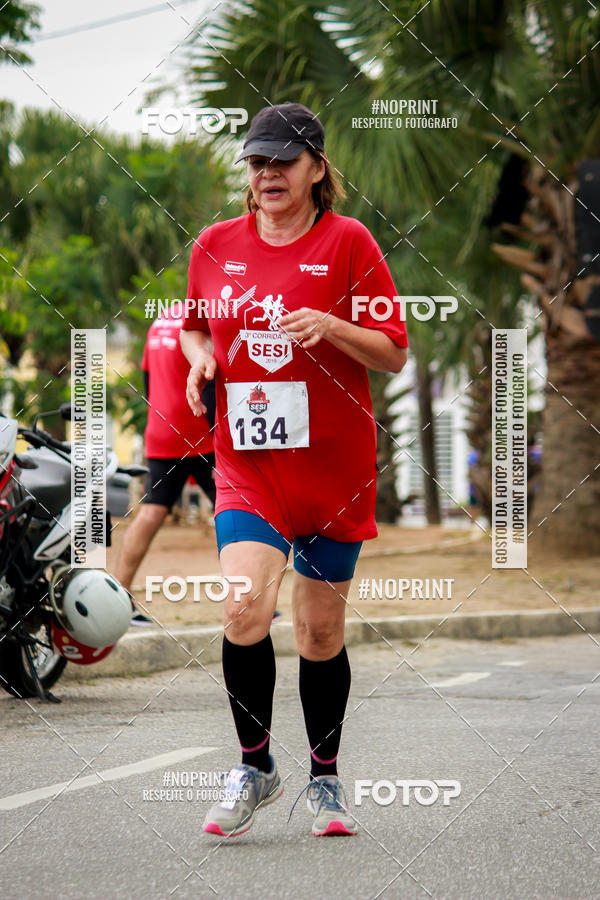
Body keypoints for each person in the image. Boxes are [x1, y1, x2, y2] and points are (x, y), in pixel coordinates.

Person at [181, 102, 408, 837]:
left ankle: (325, 779)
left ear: (317, 168)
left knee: (318, 634)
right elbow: (192, 329)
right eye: (257, 161)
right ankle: (255, 766)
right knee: (244, 608)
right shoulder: (214, 245)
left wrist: (333, 325)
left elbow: (393, 349)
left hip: (334, 468)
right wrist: (202, 360)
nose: (268, 173)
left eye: (284, 160)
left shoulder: (349, 242)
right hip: (250, 464)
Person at [115, 305, 216, 624]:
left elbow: (147, 382)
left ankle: (118, 598)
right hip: (201, 432)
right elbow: (212, 379)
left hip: (162, 432)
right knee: (237, 513)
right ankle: (253, 601)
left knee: (151, 512)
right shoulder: (203, 322)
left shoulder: (160, 321)